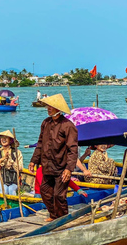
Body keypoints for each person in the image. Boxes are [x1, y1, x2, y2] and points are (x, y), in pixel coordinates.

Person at [28, 93, 78, 222]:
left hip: (62, 166)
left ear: (58, 108)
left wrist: (69, 169)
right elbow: (40, 144)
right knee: (45, 192)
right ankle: (54, 215)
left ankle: (62, 218)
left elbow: (73, 149)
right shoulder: (46, 123)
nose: (48, 108)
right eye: (48, 106)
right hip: (47, 165)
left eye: (51, 106)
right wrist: (34, 160)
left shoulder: (68, 125)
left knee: (59, 195)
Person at [0, 130, 23, 195]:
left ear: (10, 140)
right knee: (4, 189)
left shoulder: (17, 152)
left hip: (13, 180)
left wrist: (12, 162)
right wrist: (2, 159)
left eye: (6, 137)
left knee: (11, 189)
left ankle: (13, 204)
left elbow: (20, 168)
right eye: (2, 137)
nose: (3, 139)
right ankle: (3, 204)